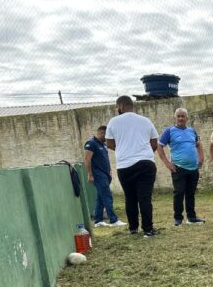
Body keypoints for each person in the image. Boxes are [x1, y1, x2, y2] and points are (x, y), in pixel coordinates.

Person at [105, 95, 160, 238]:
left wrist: (124, 150)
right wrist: (144, 153)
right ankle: (148, 229)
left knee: (130, 198)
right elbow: (154, 143)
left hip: (124, 165)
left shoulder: (113, 121)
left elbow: (109, 143)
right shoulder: (146, 120)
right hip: (146, 163)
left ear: (121, 106)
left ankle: (133, 228)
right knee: (145, 197)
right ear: (132, 106)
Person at [157, 108, 205, 226]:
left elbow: (198, 144)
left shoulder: (192, 131)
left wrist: (201, 158)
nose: (181, 118)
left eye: (183, 116)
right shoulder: (169, 131)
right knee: (179, 193)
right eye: (178, 116)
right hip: (178, 168)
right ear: (175, 118)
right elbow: (159, 146)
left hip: (193, 168)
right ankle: (178, 218)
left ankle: (191, 217)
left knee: (190, 193)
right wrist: (167, 163)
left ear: (187, 118)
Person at [83, 125, 126, 227]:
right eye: (106, 135)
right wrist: (90, 174)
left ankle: (98, 220)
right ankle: (113, 220)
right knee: (107, 196)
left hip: (105, 175)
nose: (107, 138)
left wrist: (109, 171)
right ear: (101, 133)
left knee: (100, 198)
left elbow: (105, 159)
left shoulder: (103, 145)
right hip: (98, 175)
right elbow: (87, 159)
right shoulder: (91, 143)